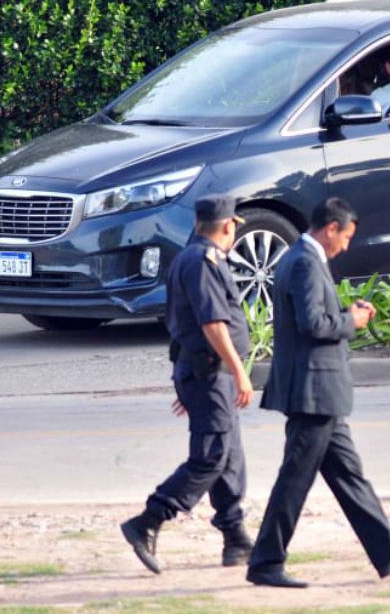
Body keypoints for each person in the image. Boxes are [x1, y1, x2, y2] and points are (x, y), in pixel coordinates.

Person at [246, 197, 390, 588]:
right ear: (331, 228)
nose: (346, 246)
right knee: (294, 479)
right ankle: (265, 562)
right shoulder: (303, 263)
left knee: (350, 476)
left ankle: (388, 552)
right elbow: (313, 324)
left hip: (321, 390)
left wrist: (346, 312)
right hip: (313, 390)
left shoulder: (302, 259)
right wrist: (352, 320)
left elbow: (311, 318)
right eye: (345, 237)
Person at [119, 195, 255, 575]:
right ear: (228, 226)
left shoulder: (186, 257)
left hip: (204, 375)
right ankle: (147, 521)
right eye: (234, 228)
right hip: (212, 374)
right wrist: (238, 372)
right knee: (211, 456)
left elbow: (178, 324)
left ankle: (235, 537)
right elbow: (213, 324)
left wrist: (185, 380)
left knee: (229, 455)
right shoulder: (203, 262)